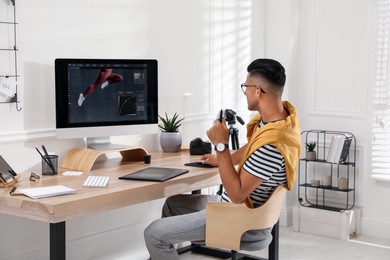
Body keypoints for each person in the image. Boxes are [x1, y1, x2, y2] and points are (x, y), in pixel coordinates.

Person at [143, 58, 301, 259]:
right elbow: (252, 146)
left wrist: (221, 147)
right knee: (173, 204)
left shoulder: (272, 144)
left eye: (246, 87)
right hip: (242, 210)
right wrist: (223, 160)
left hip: (242, 220)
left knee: (154, 233)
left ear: (258, 90)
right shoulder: (283, 122)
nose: (245, 93)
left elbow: (236, 194)